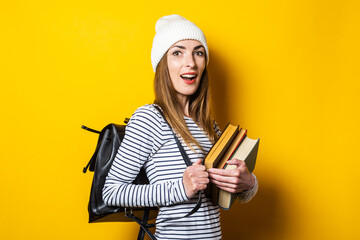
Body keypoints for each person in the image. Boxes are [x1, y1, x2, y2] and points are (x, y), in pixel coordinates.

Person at [103, 14, 258, 239]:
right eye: (177, 52)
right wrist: (181, 188)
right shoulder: (149, 118)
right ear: (162, 63)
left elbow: (227, 194)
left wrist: (249, 183)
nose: (191, 62)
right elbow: (111, 192)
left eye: (198, 52)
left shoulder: (207, 124)